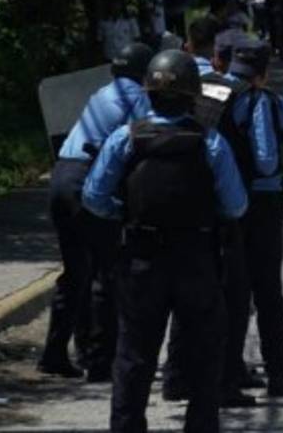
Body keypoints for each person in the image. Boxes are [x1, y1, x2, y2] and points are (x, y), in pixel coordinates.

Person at [82, 50, 247, 433]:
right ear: (193, 96)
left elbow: (93, 197)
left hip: (142, 260)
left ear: (148, 94)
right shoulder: (210, 143)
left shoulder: (127, 139)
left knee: (133, 358)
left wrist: (124, 214)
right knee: (205, 356)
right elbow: (236, 205)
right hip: (197, 260)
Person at [39, 43, 154, 382]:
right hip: (88, 180)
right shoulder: (139, 99)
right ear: (144, 73)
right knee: (108, 270)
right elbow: (140, 146)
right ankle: (100, 360)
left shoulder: (101, 93)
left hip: (61, 177)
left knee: (76, 272)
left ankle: (56, 353)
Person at [223, 39, 283, 398]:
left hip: (223, 204)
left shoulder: (211, 94)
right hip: (262, 202)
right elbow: (270, 156)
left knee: (230, 290)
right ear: (264, 71)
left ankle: (229, 371)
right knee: (267, 291)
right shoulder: (262, 101)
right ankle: (277, 374)